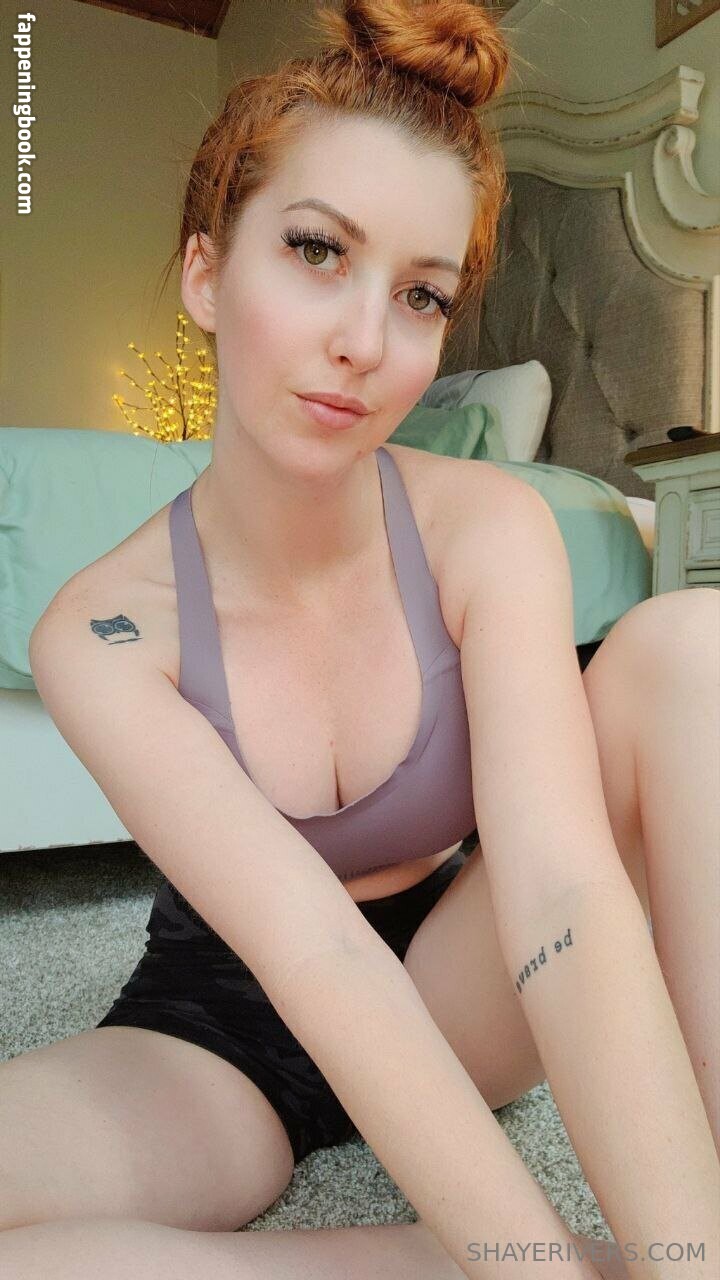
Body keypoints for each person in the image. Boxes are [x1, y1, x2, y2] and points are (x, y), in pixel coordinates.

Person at [4, 2, 719, 1278]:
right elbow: (316, 954)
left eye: (422, 295)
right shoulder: (101, 631)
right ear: (206, 272)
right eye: (317, 249)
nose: (365, 344)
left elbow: (561, 890)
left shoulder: (491, 524)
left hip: (464, 983)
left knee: (692, 645)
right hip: (225, 1032)